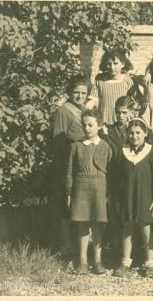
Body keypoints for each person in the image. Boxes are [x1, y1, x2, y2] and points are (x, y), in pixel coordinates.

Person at [65, 109, 113, 275]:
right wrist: (69, 192)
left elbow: (111, 170)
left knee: (98, 224)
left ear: (99, 126)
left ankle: (98, 260)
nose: (87, 128)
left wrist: (109, 194)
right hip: (81, 187)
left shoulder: (106, 146)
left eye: (90, 125)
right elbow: (70, 171)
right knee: (82, 224)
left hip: (100, 188)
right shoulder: (76, 146)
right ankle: (83, 261)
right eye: (84, 125)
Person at [112, 118, 153, 278]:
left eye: (138, 132)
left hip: (145, 197)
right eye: (131, 133)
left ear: (145, 133)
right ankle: (125, 262)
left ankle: (149, 263)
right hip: (127, 197)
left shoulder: (151, 151)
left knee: (146, 229)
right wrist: (118, 199)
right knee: (127, 228)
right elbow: (118, 178)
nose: (134, 136)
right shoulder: (122, 151)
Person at [49, 74, 89, 262]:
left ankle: (79, 245)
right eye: (76, 92)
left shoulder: (85, 110)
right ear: (69, 92)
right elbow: (58, 140)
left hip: (82, 163)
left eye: (83, 93)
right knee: (64, 205)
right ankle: (65, 245)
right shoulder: (64, 110)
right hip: (66, 161)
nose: (80, 96)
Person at [99, 95, 142, 257]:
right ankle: (115, 252)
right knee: (114, 214)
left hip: (131, 178)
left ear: (131, 112)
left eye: (124, 112)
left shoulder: (137, 131)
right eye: (118, 112)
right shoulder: (108, 131)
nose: (121, 116)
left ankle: (134, 253)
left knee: (131, 215)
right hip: (113, 178)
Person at [85, 49, 136, 125]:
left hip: (121, 121)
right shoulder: (100, 79)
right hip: (104, 121)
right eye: (109, 64)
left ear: (123, 64)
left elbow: (132, 103)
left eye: (115, 63)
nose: (112, 67)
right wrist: (84, 111)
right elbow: (93, 100)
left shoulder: (127, 80)